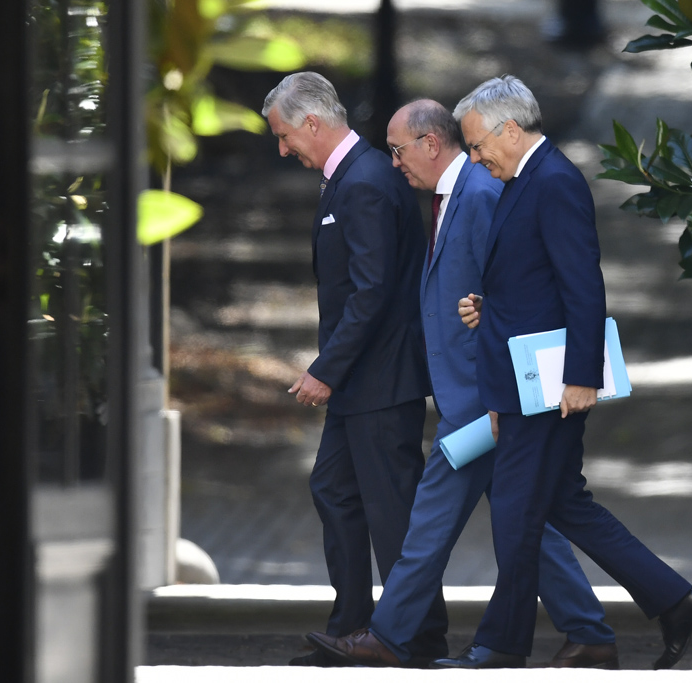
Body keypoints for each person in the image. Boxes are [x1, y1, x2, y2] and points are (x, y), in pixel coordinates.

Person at [306, 99, 619, 669]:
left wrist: (500, 391)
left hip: (482, 397)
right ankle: (590, 630)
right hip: (475, 393)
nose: (394, 163)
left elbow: (511, 292)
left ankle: (390, 635)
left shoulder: (477, 193)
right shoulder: (456, 194)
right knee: (527, 521)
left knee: (431, 519)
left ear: (430, 144)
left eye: (399, 151)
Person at [432, 75, 692, 670]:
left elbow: (583, 286)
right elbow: (535, 277)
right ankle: (676, 601)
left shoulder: (554, 180)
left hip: (550, 386)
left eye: (479, 145)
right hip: (530, 378)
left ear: (510, 129)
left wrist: (582, 376)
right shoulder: (524, 177)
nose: (476, 159)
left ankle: (500, 646)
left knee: (514, 513)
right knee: (562, 503)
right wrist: (490, 307)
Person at [261, 72, 448, 666]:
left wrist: (326, 369)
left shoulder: (364, 181)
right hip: (363, 380)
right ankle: (353, 627)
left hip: (378, 378)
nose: (283, 148)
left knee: (391, 507)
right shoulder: (351, 176)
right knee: (335, 490)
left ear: (312, 123)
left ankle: (414, 635)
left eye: (286, 135)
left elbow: (370, 294)